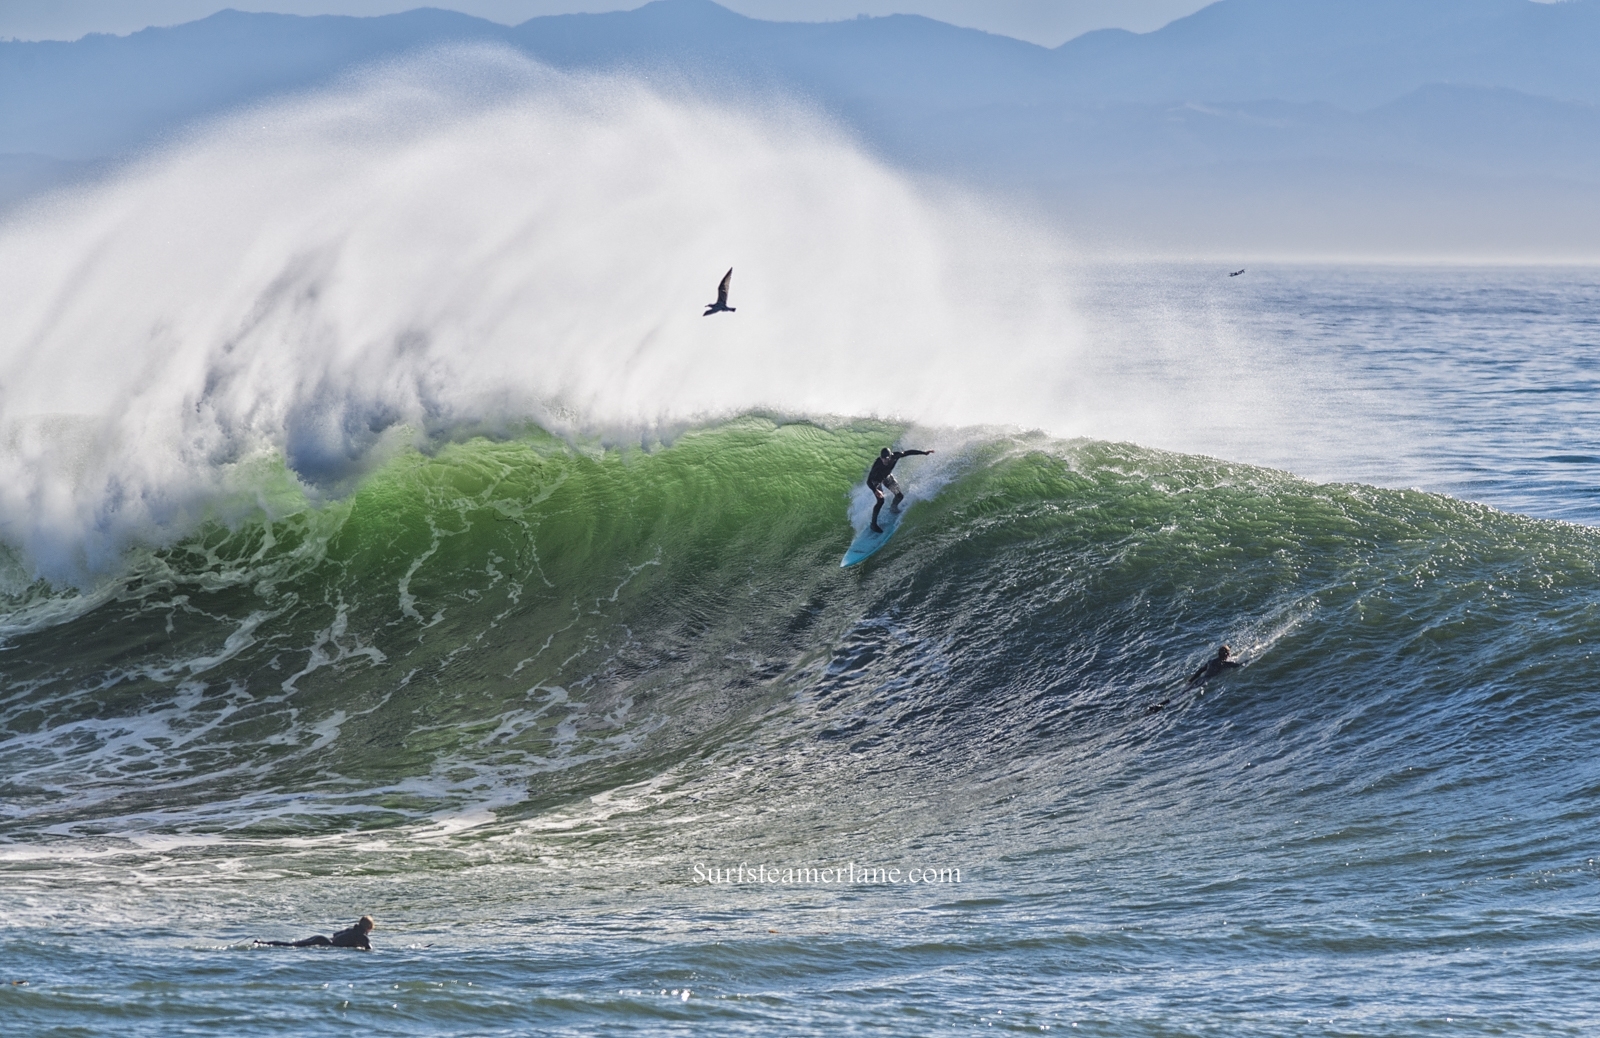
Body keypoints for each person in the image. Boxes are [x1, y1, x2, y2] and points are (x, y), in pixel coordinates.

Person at [866, 446, 934, 533]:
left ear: (890, 457)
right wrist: (876, 490)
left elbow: (908, 452)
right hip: (876, 481)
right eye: (883, 459)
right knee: (881, 501)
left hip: (887, 477)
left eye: (886, 459)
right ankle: (873, 524)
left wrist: (924, 453)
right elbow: (868, 481)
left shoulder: (896, 455)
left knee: (899, 496)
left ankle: (893, 508)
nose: (884, 461)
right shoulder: (877, 464)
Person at [255, 916, 375, 950]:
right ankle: (263, 943)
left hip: (322, 938)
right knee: (292, 946)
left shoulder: (351, 930)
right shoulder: (363, 937)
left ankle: (263, 943)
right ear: (369, 927)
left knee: (292, 945)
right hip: (325, 943)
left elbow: (335, 935)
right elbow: (370, 950)